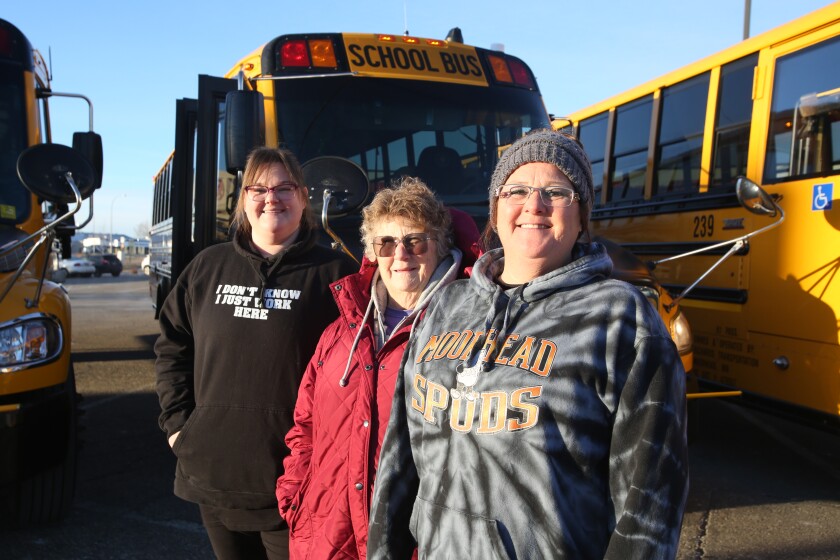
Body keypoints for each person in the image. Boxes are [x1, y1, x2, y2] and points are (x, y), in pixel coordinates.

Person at [368, 129, 689, 560]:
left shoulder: (620, 319)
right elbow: (398, 461)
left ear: (581, 217)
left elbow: (650, 498)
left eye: (556, 192)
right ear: (497, 209)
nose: (534, 205)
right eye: (516, 190)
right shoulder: (445, 305)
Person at [155, 147, 358, 560]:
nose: (272, 198)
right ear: (243, 199)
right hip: (215, 471)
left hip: (296, 480)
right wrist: (179, 426)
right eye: (259, 188)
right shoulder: (207, 267)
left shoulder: (337, 274)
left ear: (303, 197)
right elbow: (172, 346)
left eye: (285, 187)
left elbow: (358, 371)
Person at [275, 177, 480, 559]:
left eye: (415, 241)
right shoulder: (341, 330)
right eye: (386, 243)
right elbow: (305, 425)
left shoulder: (468, 332)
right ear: (372, 252)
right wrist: (296, 498)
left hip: (418, 545)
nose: (400, 255)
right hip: (325, 538)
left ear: (441, 247)